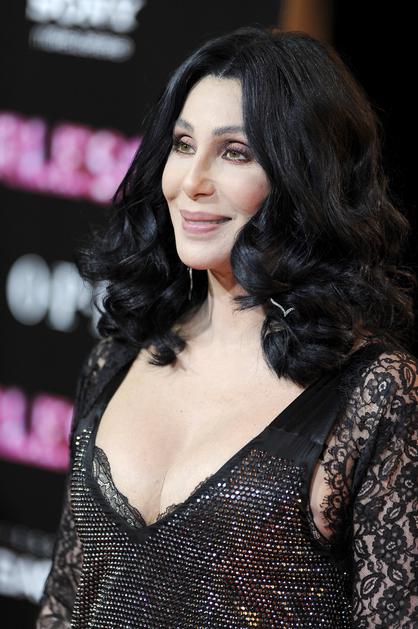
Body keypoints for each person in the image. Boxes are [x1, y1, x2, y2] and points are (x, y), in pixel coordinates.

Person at [36, 25, 418, 628]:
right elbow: (64, 604)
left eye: (234, 152)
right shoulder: (118, 356)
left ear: (303, 176)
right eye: (183, 144)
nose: (191, 182)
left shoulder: (376, 393)